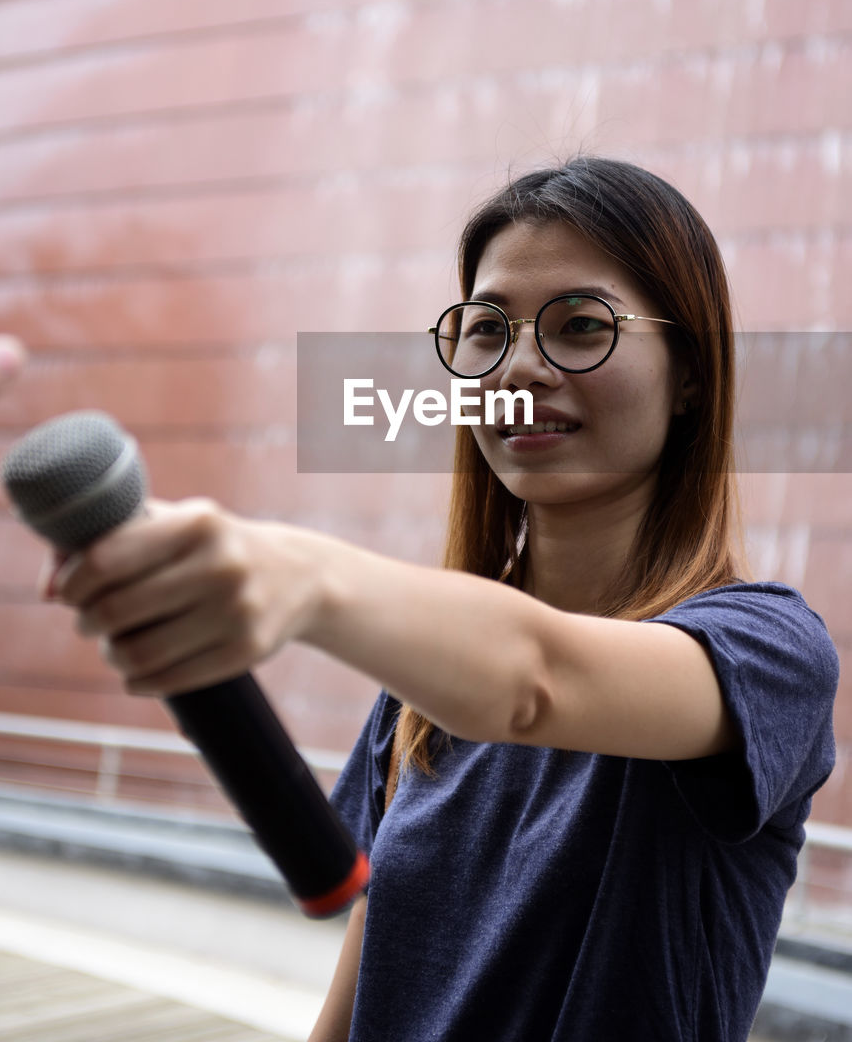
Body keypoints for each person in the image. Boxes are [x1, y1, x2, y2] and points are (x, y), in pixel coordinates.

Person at [44, 158, 838, 1042]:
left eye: (581, 326)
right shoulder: (427, 682)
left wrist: (302, 577)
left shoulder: (767, 652)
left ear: (690, 374)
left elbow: (534, 681)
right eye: (487, 331)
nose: (520, 369)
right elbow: (365, 969)